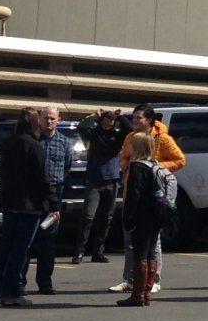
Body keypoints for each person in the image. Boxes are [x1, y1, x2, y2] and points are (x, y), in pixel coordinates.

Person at [112, 105, 185, 294]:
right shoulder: (130, 137)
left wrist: (156, 166)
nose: (135, 121)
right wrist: (127, 164)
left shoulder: (162, 138)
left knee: (153, 242)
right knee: (130, 239)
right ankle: (130, 279)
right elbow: (123, 158)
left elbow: (179, 160)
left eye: (139, 118)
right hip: (132, 190)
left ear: (149, 120)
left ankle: (153, 280)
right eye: (134, 118)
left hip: (152, 197)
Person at [0, 108, 50, 306]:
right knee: (20, 249)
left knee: (6, 246)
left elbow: (2, 174)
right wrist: (51, 203)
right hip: (29, 204)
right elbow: (42, 179)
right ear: (35, 124)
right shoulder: (35, 147)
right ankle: (11, 292)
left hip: (8, 201)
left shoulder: (7, 144)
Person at [115, 129, 172, 306]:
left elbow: (134, 195)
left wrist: (128, 217)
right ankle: (147, 292)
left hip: (141, 216)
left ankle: (137, 294)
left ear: (137, 147)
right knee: (150, 254)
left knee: (139, 253)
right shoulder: (155, 165)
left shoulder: (137, 167)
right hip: (155, 215)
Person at [74, 108, 130, 264]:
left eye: (110, 123)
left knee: (106, 218)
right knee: (88, 217)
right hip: (95, 181)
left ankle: (98, 251)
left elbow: (130, 130)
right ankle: (79, 251)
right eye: (105, 122)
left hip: (112, 181)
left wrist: (121, 117)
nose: (108, 125)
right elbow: (82, 127)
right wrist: (95, 116)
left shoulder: (117, 136)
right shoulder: (95, 134)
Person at [30, 105, 73, 294]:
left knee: (48, 242)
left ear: (58, 120)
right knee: (28, 240)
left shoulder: (65, 143)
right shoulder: (34, 140)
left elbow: (67, 167)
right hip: (33, 196)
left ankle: (45, 283)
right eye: (46, 118)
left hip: (54, 197)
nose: (49, 121)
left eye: (52, 118)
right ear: (39, 119)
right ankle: (20, 281)